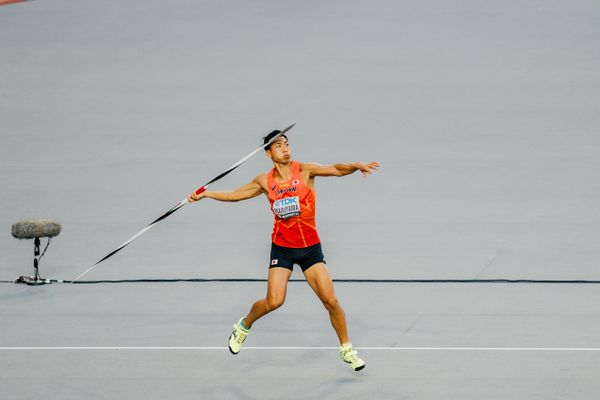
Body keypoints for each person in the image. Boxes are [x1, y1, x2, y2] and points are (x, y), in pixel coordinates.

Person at [188, 129, 379, 371]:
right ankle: (243, 325)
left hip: (310, 247)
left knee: (330, 300)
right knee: (274, 301)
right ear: (268, 153)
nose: (285, 149)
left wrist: (355, 165)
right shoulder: (264, 181)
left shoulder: (305, 170)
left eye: (287, 144)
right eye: (278, 146)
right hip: (283, 248)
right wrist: (207, 194)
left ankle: (346, 349)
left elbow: (336, 169)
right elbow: (236, 195)